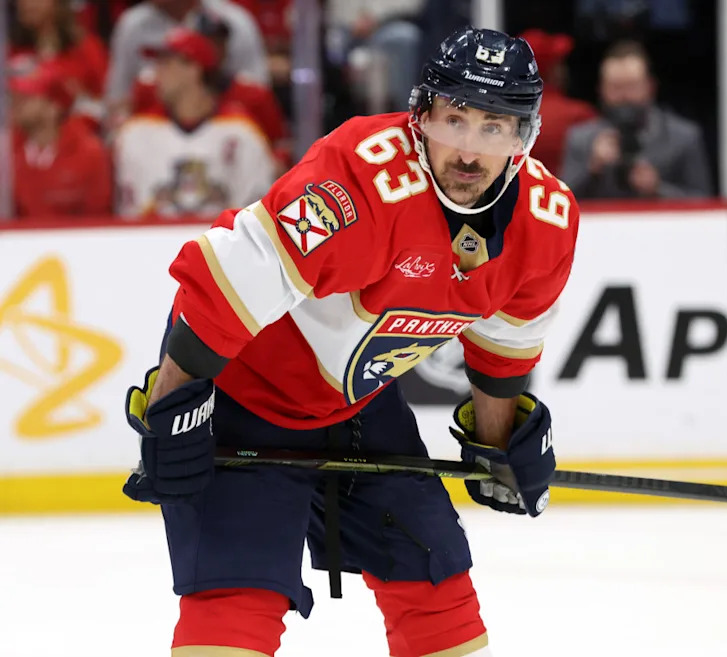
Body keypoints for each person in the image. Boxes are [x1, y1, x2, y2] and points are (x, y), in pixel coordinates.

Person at [121, 27, 578, 657]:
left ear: (523, 136)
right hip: (244, 395)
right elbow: (227, 275)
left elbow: (505, 341)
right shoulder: (363, 177)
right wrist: (173, 405)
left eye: (495, 126)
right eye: (456, 119)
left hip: (357, 407)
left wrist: (499, 444)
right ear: (421, 115)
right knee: (235, 611)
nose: (470, 150)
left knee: (440, 596)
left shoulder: (545, 221)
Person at [113, 28, 275, 218]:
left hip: (222, 244)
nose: (156, 73)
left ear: (193, 68)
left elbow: (256, 214)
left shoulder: (241, 131)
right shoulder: (136, 133)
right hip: (154, 243)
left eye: (166, 63)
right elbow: (130, 215)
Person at [563, 40, 712, 199]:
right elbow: (560, 202)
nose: (624, 96)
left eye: (632, 86)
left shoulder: (683, 138)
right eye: (615, 87)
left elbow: (704, 204)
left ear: (650, 87)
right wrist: (592, 168)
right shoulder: (581, 139)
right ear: (601, 90)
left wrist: (658, 189)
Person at [105, 0, 269, 124]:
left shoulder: (234, 21)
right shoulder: (132, 24)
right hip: (161, 129)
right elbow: (117, 100)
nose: (160, 69)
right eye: (160, 61)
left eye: (167, 62)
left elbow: (258, 93)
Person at [10, 64, 112, 219]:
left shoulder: (88, 153)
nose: (16, 102)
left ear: (54, 107)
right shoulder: (8, 151)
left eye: (27, 98)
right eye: (15, 95)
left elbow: (97, 222)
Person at [8, 0, 110, 130]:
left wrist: (72, 108)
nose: (27, 3)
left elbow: (107, 105)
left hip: (74, 139)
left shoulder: (86, 49)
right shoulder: (11, 52)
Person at [521, 29, 597, 175]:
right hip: (565, 195)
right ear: (553, 70)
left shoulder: (505, 117)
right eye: (559, 64)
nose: (565, 69)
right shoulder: (580, 115)